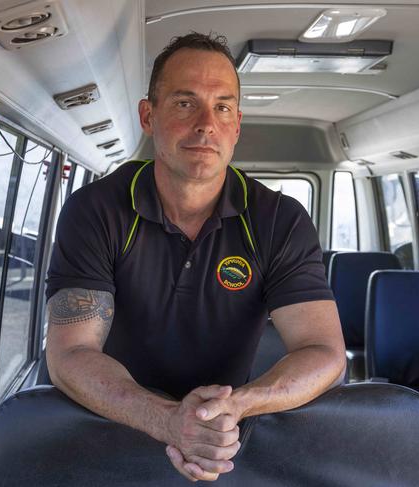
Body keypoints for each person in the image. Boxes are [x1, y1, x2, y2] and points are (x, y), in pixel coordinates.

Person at [45, 32, 346, 482]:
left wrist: (238, 406)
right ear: (149, 115)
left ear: (237, 124)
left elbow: (325, 352)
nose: (207, 123)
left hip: (227, 439)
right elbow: (70, 354)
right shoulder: (96, 210)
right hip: (109, 427)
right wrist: (168, 419)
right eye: (185, 103)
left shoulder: (280, 219)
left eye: (222, 106)